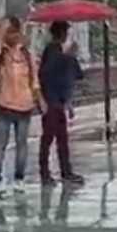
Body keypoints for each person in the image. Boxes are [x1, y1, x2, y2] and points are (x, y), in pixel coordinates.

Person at [0, 17, 43, 198]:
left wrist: (39, 101)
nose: (11, 36)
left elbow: (34, 81)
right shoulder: (0, 54)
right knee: (0, 145)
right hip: (3, 105)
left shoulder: (28, 55)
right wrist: (0, 29)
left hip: (24, 106)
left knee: (22, 145)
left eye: (14, 32)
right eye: (8, 32)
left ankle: (19, 179)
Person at [38, 20, 86, 186]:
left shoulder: (55, 51)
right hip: (52, 101)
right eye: (66, 32)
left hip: (58, 101)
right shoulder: (53, 51)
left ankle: (65, 171)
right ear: (63, 33)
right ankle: (47, 173)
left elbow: (76, 74)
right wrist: (69, 56)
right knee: (50, 138)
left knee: (61, 139)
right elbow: (48, 74)